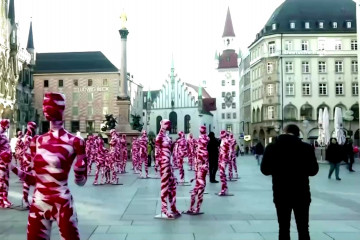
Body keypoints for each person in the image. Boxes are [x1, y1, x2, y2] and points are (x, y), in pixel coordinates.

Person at [261, 124, 319, 240]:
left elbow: (265, 170)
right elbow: (313, 171)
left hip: (280, 192)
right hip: (301, 193)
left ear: (284, 132)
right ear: (298, 134)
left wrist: (278, 169)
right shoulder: (306, 148)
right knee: (303, 228)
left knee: (283, 228)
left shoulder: (272, 147)